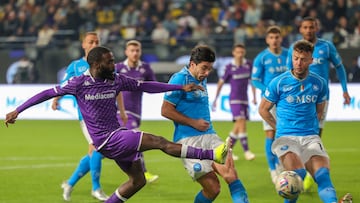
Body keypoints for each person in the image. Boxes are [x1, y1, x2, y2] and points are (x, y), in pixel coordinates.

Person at [5, 46, 230, 203]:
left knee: (138, 180)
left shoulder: (116, 79)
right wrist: (18, 110)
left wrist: (180, 88)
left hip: (116, 136)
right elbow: (46, 93)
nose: (114, 64)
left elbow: (145, 86)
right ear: (95, 64)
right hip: (106, 139)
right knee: (158, 141)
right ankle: (211, 155)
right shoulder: (78, 83)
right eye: (109, 61)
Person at [258, 39, 352, 203]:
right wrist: (277, 126)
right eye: (295, 58)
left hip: (310, 137)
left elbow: (319, 110)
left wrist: (310, 126)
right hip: (286, 138)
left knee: (322, 174)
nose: (298, 63)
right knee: (297, 175)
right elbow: (263, 109)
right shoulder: (279, 82)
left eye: (303, 59)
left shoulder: (319, 83)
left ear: (311, 60)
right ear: (292, 58)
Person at [161, 45, 249, 203]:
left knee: (231, 175)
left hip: (211, 136)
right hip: (188, 141)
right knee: (213, 189)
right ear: (192, 64)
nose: (207, 73)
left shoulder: (202, 78)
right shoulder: (179, 79)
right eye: (204, 68)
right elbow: (165, 110)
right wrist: (192, 122)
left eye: (210, 69)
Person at [51, 32, 125, 201]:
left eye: (97, 41)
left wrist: (121, 110)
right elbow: (64, 85)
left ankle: (70, 183)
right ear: (83, 45)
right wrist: (56, 99)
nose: (94, 44)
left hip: (107, 115)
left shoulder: (106, 63)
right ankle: (96, 188)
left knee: (96, 151)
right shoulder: (76, 66)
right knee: (98, 149)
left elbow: (117, 87)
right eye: (91, 42)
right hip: (88, 117)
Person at [286, 16, 351, 192]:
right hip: (298, 100)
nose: (308, 30)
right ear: (301, 29)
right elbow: (287, 73)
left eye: (311, 27)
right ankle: (299, 171)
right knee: (297, 136)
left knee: (314, 136)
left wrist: (344, 90)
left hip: (321, 99)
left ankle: (306, 173)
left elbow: (339, 67)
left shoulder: (326, 46)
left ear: (317, 28)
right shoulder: (295, 49)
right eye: (305, 27)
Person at [114, 40, 159, 183]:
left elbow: (153, 87)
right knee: (135, 138)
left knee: (112, 147)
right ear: (126, 52)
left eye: (137, 51)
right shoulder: (118, 68)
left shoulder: (145, 68)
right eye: (132, 50)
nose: (134, 53)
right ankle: (143, 173)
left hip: (136, 112)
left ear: (140, 52)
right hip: (121, 112)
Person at [251, 25, 288, 184]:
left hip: (287, 102)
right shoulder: (261, 57)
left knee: (285, 133)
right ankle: (272, 169)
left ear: (281, 38)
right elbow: (254, 80)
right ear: (267, 40)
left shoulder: (289, 54)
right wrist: (268, 91)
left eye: (277, 37)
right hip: (269, 102)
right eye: (271, 38)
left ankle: (281, 164)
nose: (274, 40)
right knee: (271, 134)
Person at [212, 43, 256, 161]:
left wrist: (255, 96)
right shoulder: (229, 67)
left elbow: (252, 81)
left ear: (244, 53)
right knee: (241, 121)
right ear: (233, 53)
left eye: (242, 52)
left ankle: (226, 151)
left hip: (245, 99)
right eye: (238, 52)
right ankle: (247, 151)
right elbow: (221, 82)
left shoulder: (248, 65)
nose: (240, 54)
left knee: (237, 126)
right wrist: (216, 99)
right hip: (234, 99)